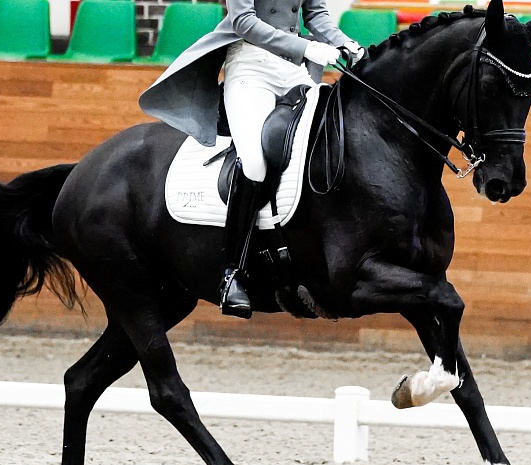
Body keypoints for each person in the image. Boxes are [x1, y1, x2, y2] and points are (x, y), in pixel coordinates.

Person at [139, 0, 364, 319]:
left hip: (295, 71)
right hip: (250, 68)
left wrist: (345, 42)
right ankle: (231, 273)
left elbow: (316, 14)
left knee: (322, 147)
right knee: (255, 163)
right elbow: (243, 21)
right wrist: (307, 48)